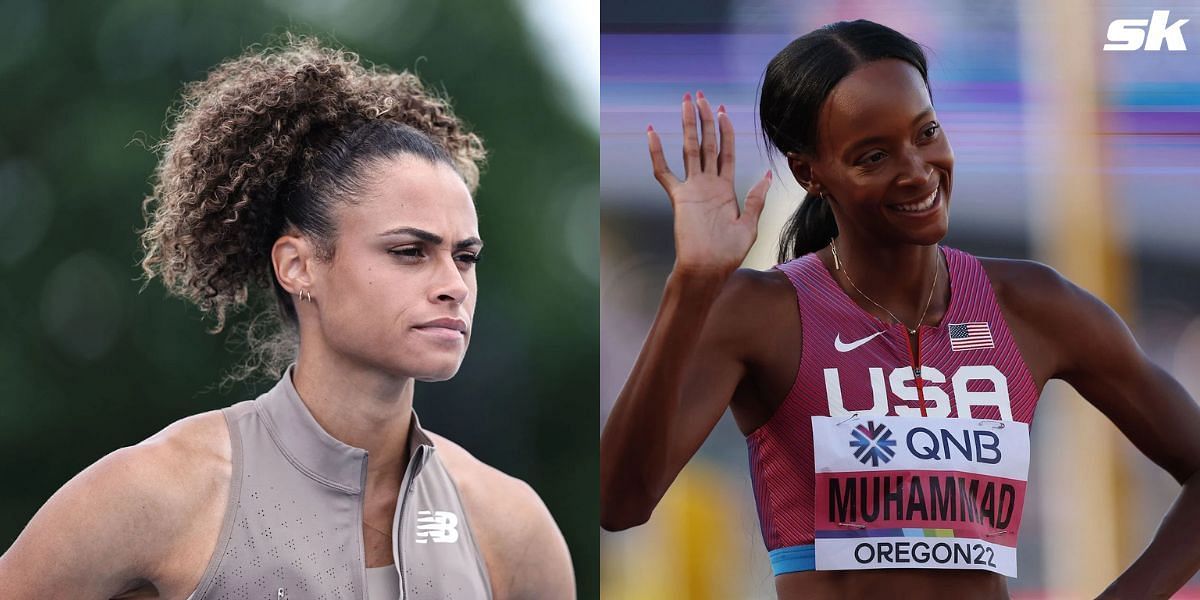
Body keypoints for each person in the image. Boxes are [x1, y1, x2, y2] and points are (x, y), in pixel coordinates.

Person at [600, 19, 1200, 599]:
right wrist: (693, 284)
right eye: (872, 157)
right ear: (810, 173)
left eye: (926, 132)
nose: (917, 171)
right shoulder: (761, 313)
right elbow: (620, 502)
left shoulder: (1032, 306)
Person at [0, 35, 574, 600]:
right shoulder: (163, 492)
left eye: (465, 257)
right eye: (409, 251)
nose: (453, 285)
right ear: (298, 266)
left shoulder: (510, 525)